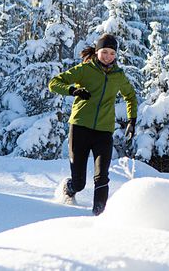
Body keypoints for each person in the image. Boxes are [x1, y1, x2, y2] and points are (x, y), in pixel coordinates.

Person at [48, 33, 137, 216]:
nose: (108, 57)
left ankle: (99, 217)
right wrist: (73, 90)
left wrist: (132, 120)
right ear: (97, 52)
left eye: (112, 53)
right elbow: (54, 83)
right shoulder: (84, 70)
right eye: (105, 52)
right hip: (80, 128)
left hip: (104, 132)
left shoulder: (119, 76)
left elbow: (130, 96)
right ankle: (69, 188)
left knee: (102, 177)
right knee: (79, 182)